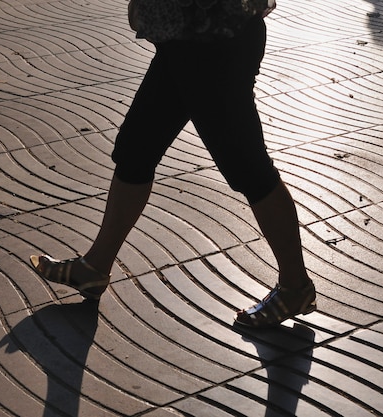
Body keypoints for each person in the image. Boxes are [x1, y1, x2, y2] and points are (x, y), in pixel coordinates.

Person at [30, 0, 316, 328]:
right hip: (186, 39)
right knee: (136, 149)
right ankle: (95, 267)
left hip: (215, 42)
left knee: (247, 167)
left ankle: (295, 286)